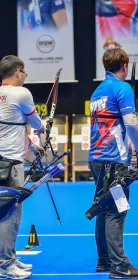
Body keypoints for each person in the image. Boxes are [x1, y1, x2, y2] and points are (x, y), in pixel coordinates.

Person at [88, 47, 138, 279]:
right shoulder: (122, 88)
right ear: (125, 66)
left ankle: (104, 260)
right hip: (113, 160)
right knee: (116, 210)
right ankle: (119, 265)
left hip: (97, 158)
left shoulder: (97, 91)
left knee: (103, 208)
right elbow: (131, 123)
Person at [0, 55, 45, 279]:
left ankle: (9, 257)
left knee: (4, 212)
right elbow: (36, 124)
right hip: (11, 164)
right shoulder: (22, 93)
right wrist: (43, 128)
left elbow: (13, 128)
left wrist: (34, 146)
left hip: (3, 161)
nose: (24, 77)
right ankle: (5, 265)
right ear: (18, 72)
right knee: (11, 213)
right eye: (24, 73)